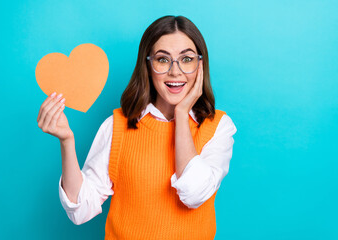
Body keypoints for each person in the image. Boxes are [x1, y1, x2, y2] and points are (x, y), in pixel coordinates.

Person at [37, 15, 237, 240]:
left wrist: (181, 114)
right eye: (163, 60)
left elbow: (193, 194)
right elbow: (81, 209)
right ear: (148, 65)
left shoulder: (218, 127)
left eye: (186, 59)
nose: (175, 71)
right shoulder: (118, 125)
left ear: (200, 65)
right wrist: (66, 141)